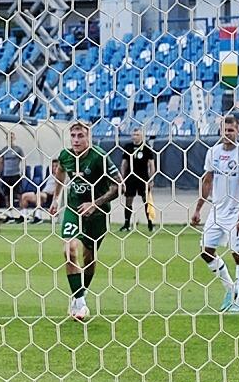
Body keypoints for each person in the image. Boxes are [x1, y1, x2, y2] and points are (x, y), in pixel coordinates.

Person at [53, 121, 118, 321]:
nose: (76, 140)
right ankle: (80, 302)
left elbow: (118, 186)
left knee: (89, 257)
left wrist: (95, 204)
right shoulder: (65, 155)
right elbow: (60, 172)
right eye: (73, 136)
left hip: (97, 215)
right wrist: (56, 198)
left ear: (89, 136)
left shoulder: (99, 157)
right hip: (73, 210)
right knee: (69, 250)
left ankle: (79, 294)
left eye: (80, 135)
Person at [193, 114, 239, 313]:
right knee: (206, 252)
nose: (227, 133)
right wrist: (198, 209)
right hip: (216, 211)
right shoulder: (212, 152)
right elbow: (207, 182)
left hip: (235, 213)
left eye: (231, 130)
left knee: (238, 255)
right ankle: (230, 288)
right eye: (224, 130)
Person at [119, 129, 160, 231]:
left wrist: (151, 179)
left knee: (146, 201)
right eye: (134, 134)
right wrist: (122, 178)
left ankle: (150, 224)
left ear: (142, 136)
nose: (135, 136)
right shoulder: (128, 147)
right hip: (130, 178)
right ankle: (127, 224)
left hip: (143, 178)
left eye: (137, 134)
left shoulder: (146, 148)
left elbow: (151, 165)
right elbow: (124, 163)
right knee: (128, 200)